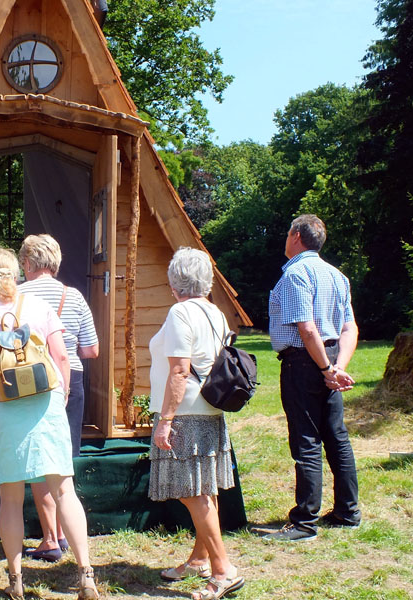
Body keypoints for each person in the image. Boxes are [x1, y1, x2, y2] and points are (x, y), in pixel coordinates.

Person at [0, 246, 99, 600]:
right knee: (65, 490)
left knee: (11, 497)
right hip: (46, 401)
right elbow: (62, 355)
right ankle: (87, 576)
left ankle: (16, 580)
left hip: (1, 408)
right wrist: (61, 397)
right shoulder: (38, 306)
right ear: (16, 274)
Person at [150, 247, 244, 600]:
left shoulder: (179, 313)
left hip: (185, 413)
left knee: (192, 492)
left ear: (175, 282)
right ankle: (199, 559)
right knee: (205, 490)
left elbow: (179, 370)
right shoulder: (216, 313)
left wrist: (165, 421)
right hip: (210, 410)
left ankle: (223, 570)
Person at [265, 214, 361, 542]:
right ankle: (348, 512)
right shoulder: (337, 276)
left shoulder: (296, 273)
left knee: (306, 439)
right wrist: (337, 367)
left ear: (295, 235)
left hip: (305, 363)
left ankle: (304, 522)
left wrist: (325, 369)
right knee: (336, 436)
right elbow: (349, 327)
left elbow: (306, 329)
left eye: (286, 231)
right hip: (330, 357)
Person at [18, 234, 99, 562]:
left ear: (26, 263)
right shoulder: (74, 296)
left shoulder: (17, 296)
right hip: (71, 380)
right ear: (55, 262)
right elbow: (91, 349)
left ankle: (51, 537)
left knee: (39, 461)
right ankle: (66, 533)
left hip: (30, 380)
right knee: (62, 459)